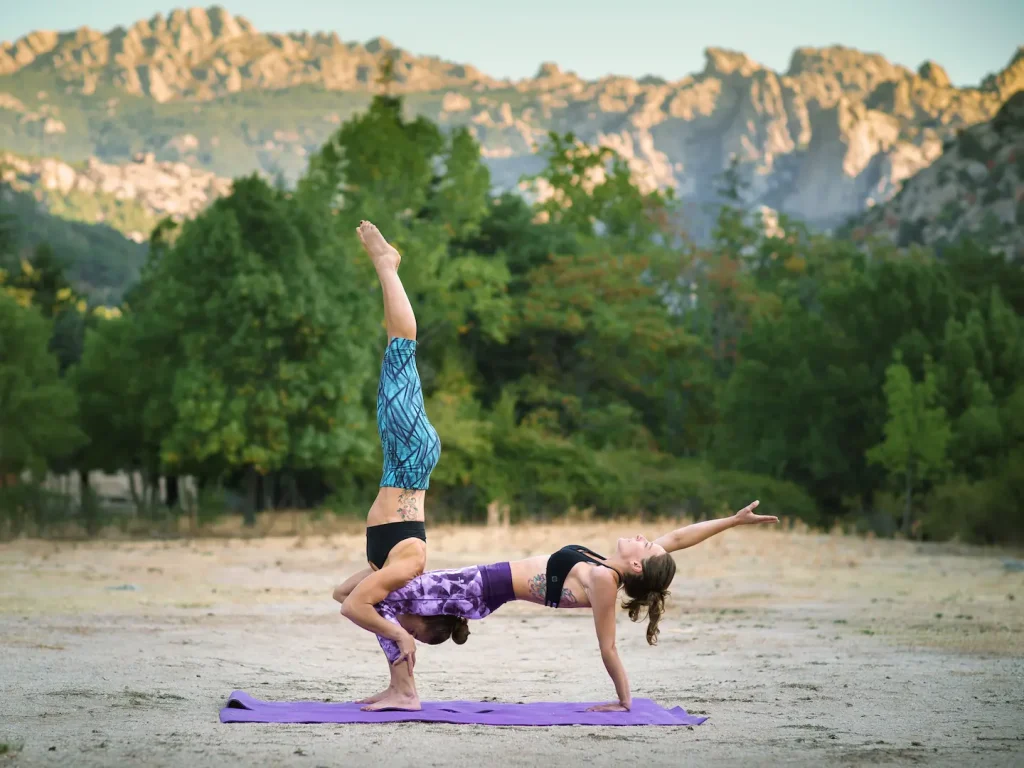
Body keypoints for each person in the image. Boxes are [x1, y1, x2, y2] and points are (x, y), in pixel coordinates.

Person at [334, 501, 777, 711]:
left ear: (637, 564)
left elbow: (608, 647)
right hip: (477, 582)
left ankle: (404, 690)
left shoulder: (604, 579)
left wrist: (625, 700)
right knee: (355, 592)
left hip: (474, 589)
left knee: (360, 599)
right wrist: (733, 522)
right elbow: (679, 538)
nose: (645, 535)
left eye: (646, 544)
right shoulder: (608, 566)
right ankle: (403, 678)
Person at [333, 221, 441, 667]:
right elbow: (352, 608)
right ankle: (386, 264)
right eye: (413, 628)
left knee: (394, 354)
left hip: (402, 460)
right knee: (402, 350)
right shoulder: (409, 569)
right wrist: (398, 634)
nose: (404, 630)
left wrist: (385, 611)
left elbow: (343, 593)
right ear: (421, 617)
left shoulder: (390, 576)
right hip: (408, 460)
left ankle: (388, 271)